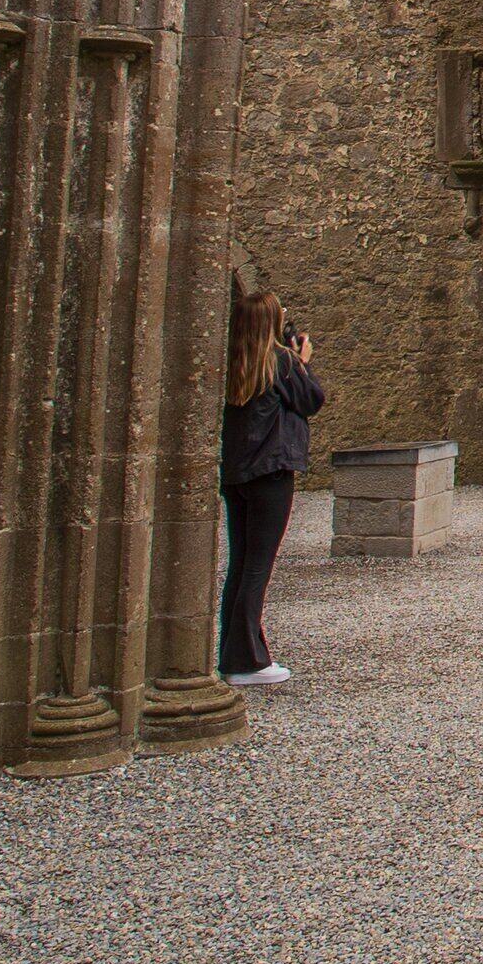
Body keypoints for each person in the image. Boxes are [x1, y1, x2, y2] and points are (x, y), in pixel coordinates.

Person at [220, 277, 324, 689]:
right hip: (271, 472)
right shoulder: (279, 363)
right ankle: (245, 661)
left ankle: (233, 654)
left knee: (241, 565)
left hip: (238, 473)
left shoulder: (235, 361)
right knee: (256, 568)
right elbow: (311, 399)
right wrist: (303, 361)